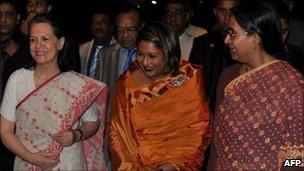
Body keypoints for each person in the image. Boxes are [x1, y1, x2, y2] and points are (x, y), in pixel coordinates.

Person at [0, 14, 108, 170]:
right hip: (27, 163)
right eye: (33, 40)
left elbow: (93, 122)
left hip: (68, 163)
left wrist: (75, 135)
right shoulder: (18, 79)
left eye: (45, 39)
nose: (38, 46)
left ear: (61, 43)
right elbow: (5, 131)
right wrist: (31, 157)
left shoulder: (75, 84)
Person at [209, 1, 304, 170]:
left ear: (255, 38)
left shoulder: (292, 84)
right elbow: (217, 143)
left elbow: (297, 159)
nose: (225, 40)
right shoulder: (228, 76)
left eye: (233, 34)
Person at [108, 22, 212, 170]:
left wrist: (173, 164)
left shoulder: (187, 79)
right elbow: (116, 132)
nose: (145, 62)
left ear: (169, 52)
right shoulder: (126, 83)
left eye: (152, 56)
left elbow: (196, 130)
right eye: (140, 54)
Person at [189, 0, 238, 112]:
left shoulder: (246, 43)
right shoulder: (202, 43)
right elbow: (193, 83)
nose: (227, 17)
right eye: (223, 11)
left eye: (233, 11)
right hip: (207, 111)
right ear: (215, 12)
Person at [79, 8, 116, 78]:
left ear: (111, 26)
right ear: (90, 27)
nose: (98, 26)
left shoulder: (120, 50)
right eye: (94, 22)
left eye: (103, 22)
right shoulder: (81, 49)